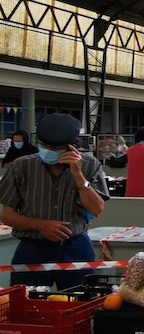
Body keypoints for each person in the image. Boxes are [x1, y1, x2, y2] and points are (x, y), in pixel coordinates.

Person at [0, 113, 109, 288]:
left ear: (72, 147)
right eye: (44, 145)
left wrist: (78, 176)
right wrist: (40, 225)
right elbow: (7, 215)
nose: (48, 151)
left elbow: (96, 208)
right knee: (28, 306)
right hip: (32, 249)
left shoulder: (90, 165)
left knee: (80, 302)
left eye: (55, 148)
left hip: (75, 248)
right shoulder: (22, 166)